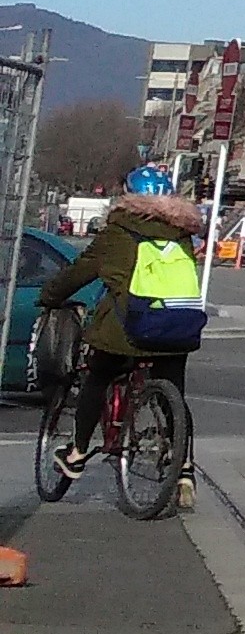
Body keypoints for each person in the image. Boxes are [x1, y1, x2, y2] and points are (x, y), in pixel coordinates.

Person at [30, 196, 207, 482]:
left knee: (97, 378)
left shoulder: (118, 231)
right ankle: (184, 465)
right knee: (173, 393)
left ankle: (76, 454)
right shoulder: (181, 234)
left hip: (129, 329)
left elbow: (79, 272)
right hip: (177, 326)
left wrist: (49, 296)